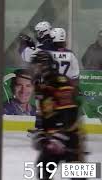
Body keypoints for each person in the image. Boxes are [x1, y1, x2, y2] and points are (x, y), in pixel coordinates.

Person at [30, 51, 86, 180]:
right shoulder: (41, 86)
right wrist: (41, 133)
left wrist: (60, 135)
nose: (34, 70)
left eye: (36, 66)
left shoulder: (60, 81)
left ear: (44, 66)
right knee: (42, 170)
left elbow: (71, 110)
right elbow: (44, 113)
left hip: (71, 139)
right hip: (52, 141)